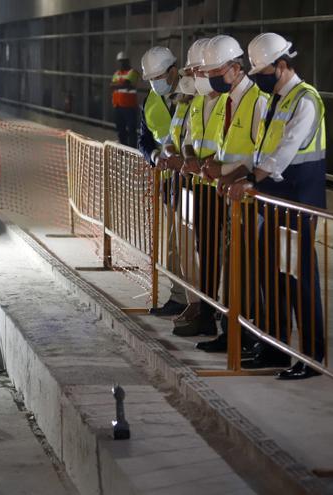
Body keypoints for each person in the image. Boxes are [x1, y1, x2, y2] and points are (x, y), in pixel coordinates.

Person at [223, 33, 326, 380]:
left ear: (282, 65)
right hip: (277, 203)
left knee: (300, 281)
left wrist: (252, 179)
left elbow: (285, 151)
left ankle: (311, 356)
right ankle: (275, 345)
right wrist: (248, 175)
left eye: (263, 70)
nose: (260, 77)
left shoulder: (304, 100)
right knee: (274, 276)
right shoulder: (279, 99)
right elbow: (264, 149)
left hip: (300, 203)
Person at [190, 35, 268, 355]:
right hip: (230, 199)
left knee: (250, 272)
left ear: (236, 68)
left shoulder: (257, 100)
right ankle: (231, 330)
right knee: (233, 268)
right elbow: (227, 147)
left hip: (251, 200)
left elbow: (260, 155)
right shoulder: (229, 99)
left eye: (216, 71)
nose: (211, 78)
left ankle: (250, 335)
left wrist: (225, 173)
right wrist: (215, 167)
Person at [158, 38, 225, 337]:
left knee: (217, 254)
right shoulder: (194, 101)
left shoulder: (228, 101)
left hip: (220, 189)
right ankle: (203, 308)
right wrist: (183, 159)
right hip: (195, 186)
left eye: (199, 71)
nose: (195, 77)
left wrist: (201, 165)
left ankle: (216, 315)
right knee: (197, 248)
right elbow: (185, 140)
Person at [138, 46, 196, 327]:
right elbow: (144, 140)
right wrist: (154, 155)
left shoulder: (193, 94)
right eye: (151, 79)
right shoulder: (152, 99)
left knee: (195, 246)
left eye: (159, 77)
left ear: (173, 71)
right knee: (174, 243)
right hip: (172, 181)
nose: (155, 83)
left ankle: (202, 305)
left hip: (195, 182)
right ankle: (179, 298)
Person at [110, 51, 140, 147]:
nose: (121, 63)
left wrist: (118, 84)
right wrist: (121, 84)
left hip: (129, 106)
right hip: (118, 106)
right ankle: (123, 147)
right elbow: (112, 86)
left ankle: (132, 148)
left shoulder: (133, 72)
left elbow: (127, 84)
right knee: (120, 128)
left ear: (127, 61)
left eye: (123, 61)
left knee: (131, 129)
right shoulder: (117, 73)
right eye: (120, 61)